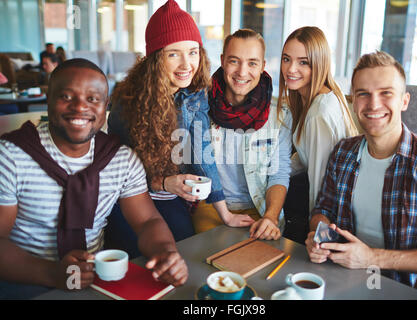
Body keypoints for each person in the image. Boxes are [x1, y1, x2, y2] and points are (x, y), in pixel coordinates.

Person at [0, 58, 188, 299]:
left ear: (105, 107)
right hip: (26, 279)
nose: (80, 107)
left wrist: (166, 253)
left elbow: (148, 221)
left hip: (94, 280)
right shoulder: (12, 155)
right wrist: (53, 273)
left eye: (93, 99)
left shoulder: (121, 159)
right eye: (66, 97)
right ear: (48, 100)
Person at [305, 51, 417, 297]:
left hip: (404, 291)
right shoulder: (342, 152)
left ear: (404, 101)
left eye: (386, 93)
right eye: (363, 94)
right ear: (353, 101)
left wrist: (372, 258)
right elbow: (323, 209)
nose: (373, 104)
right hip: (340, 280)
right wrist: (318, 237)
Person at [107, 0, 242, 248]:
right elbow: (116, 168)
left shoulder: (194, 94)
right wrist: (163, 182)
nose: (186, 64)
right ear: (156, 58)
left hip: (170, 197)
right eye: (173, 54)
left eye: (192, 52)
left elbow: (203, 154)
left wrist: (226, 213)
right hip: (129, 197)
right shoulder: (127, 100)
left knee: (185, 249)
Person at [192, 29, 293, 240]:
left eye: (252, 63)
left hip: (260, 208)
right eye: (234, 61)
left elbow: (279, 172)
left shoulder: (279, 113)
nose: (242, 71)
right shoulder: (199, 105)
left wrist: (271, 217)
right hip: (211, 205)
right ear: (222, 61)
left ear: (263, 66)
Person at [278, 27, 358, 241]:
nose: (291, 69)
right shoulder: (323, 95)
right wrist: (276, 167)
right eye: (286, 59)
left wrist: (317, 237)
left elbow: (320, 183)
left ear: (319, 63)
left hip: (333, 216)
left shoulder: (318, 114)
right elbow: (307, 155)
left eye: (303, 62)